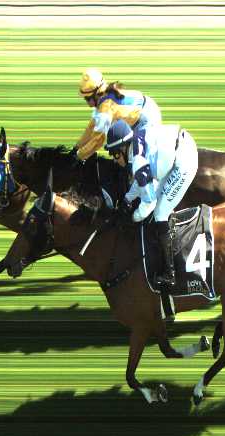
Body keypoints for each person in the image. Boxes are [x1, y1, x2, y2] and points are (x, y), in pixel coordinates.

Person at [72, 69, 190, 294]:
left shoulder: (106, 106)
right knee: (124, 155)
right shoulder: (103, 101)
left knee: (132, 162)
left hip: (147, 123)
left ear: (96, 94)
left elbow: (98, 139)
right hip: (145, 114)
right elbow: (91, 128)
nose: (87, 103)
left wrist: (79, 156)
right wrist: (76, 148)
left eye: (87, 99)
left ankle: (140, 209)